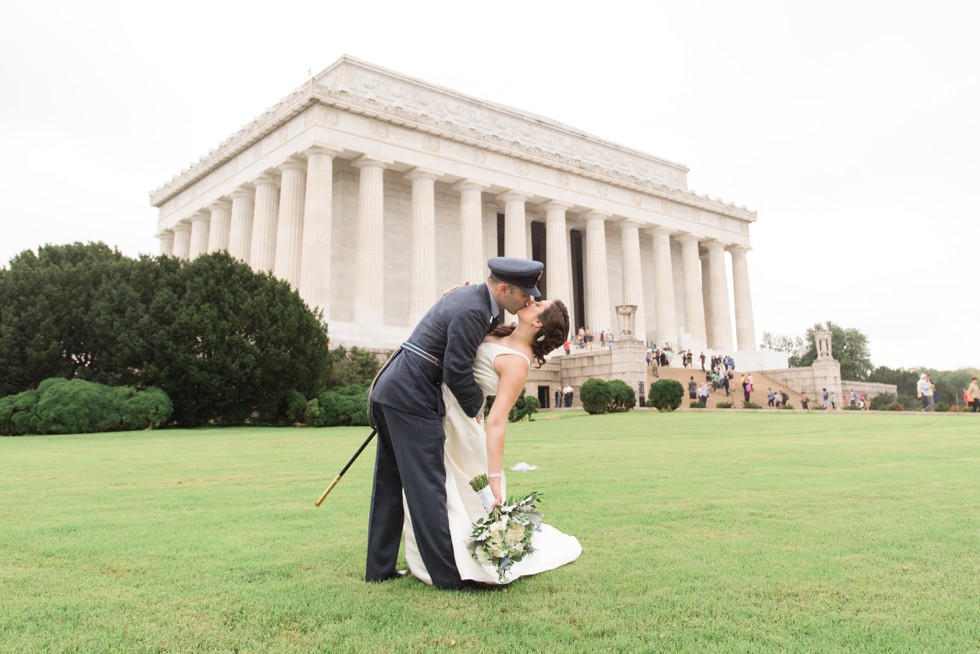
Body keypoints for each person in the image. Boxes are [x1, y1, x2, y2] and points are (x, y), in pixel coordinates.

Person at [366, 256, 543, 590]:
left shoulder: (475, 302)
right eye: (524, 294)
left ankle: (379, 568)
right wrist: (476, 407)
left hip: (394, 390)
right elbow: (457, 371)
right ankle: (447, 576)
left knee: (389, 483)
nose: (528, 300)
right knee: (428, 488)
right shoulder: (474, 308)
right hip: (411, 396)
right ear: (504, 289)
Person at [402, 298, 581, 587]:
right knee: (433, 486)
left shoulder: (518, 362)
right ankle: (429, 554)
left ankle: (454, 558)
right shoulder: (500, 332)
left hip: (462, 425)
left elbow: (498, 421)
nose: (530, 300)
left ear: (538, 322)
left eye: (538, 304)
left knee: (452, 490)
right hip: (442, 407)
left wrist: (494, 477)